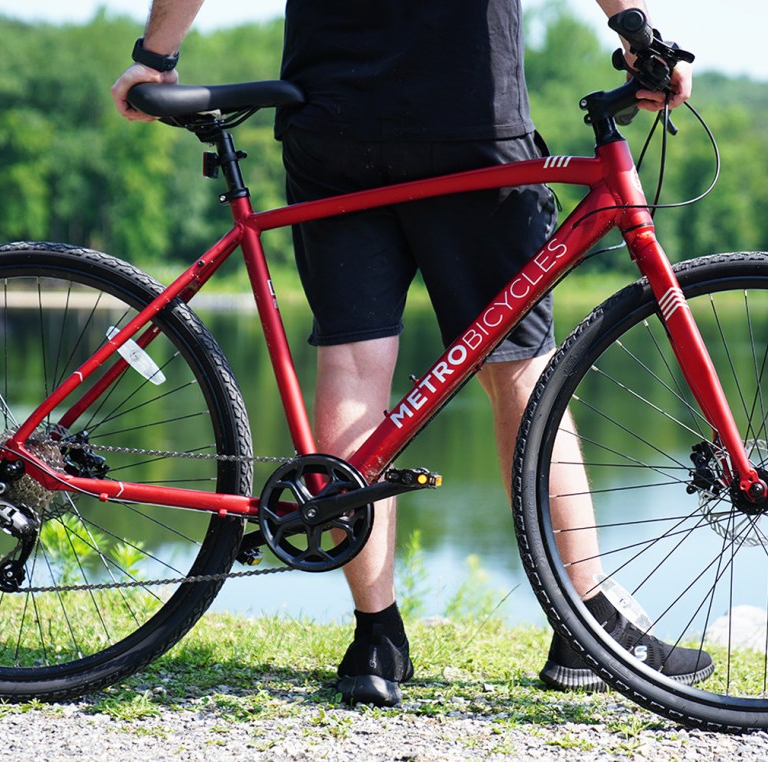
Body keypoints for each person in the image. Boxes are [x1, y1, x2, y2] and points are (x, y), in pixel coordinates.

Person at [113, 0, 711, 706]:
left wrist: (156, 57)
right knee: (521, 373)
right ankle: (582, 626)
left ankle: (376, 638)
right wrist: (637, 31)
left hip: (332, 115)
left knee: (353, 364)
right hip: (466, 112)